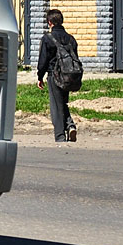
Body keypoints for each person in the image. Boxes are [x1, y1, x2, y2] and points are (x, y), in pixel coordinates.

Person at [37, 8, 79, 143]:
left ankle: (60, 136)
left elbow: (43, 60)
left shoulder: (47, 38)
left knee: (56, 105)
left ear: (50, 22)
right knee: (63, 102)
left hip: (54, 75)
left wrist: (40, 76)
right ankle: (70, 125)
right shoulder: (71, 39)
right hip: (69, 75)